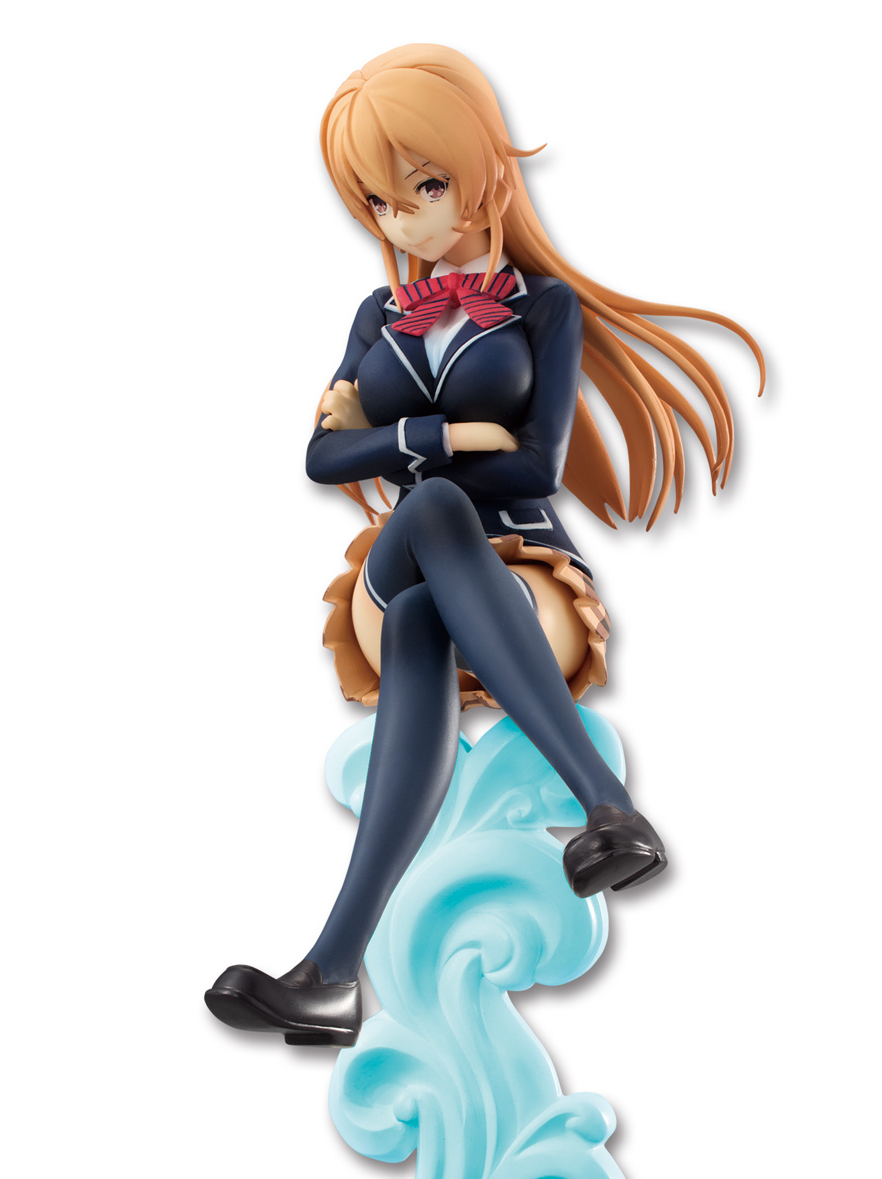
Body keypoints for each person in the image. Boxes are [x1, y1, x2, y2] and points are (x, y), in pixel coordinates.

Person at [205, 44, 763, 1047]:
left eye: (424, 186)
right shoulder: (377, 316)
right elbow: (320, 459)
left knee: (425, 608)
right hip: (407, 549)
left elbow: (537, 467)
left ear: (482, 171)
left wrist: (392, 439)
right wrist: (450, 437)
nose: (404, 219)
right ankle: (609, 809)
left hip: (522, 576)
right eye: (379, 203)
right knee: (428, 512)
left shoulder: (545, 308)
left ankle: (329, 976)